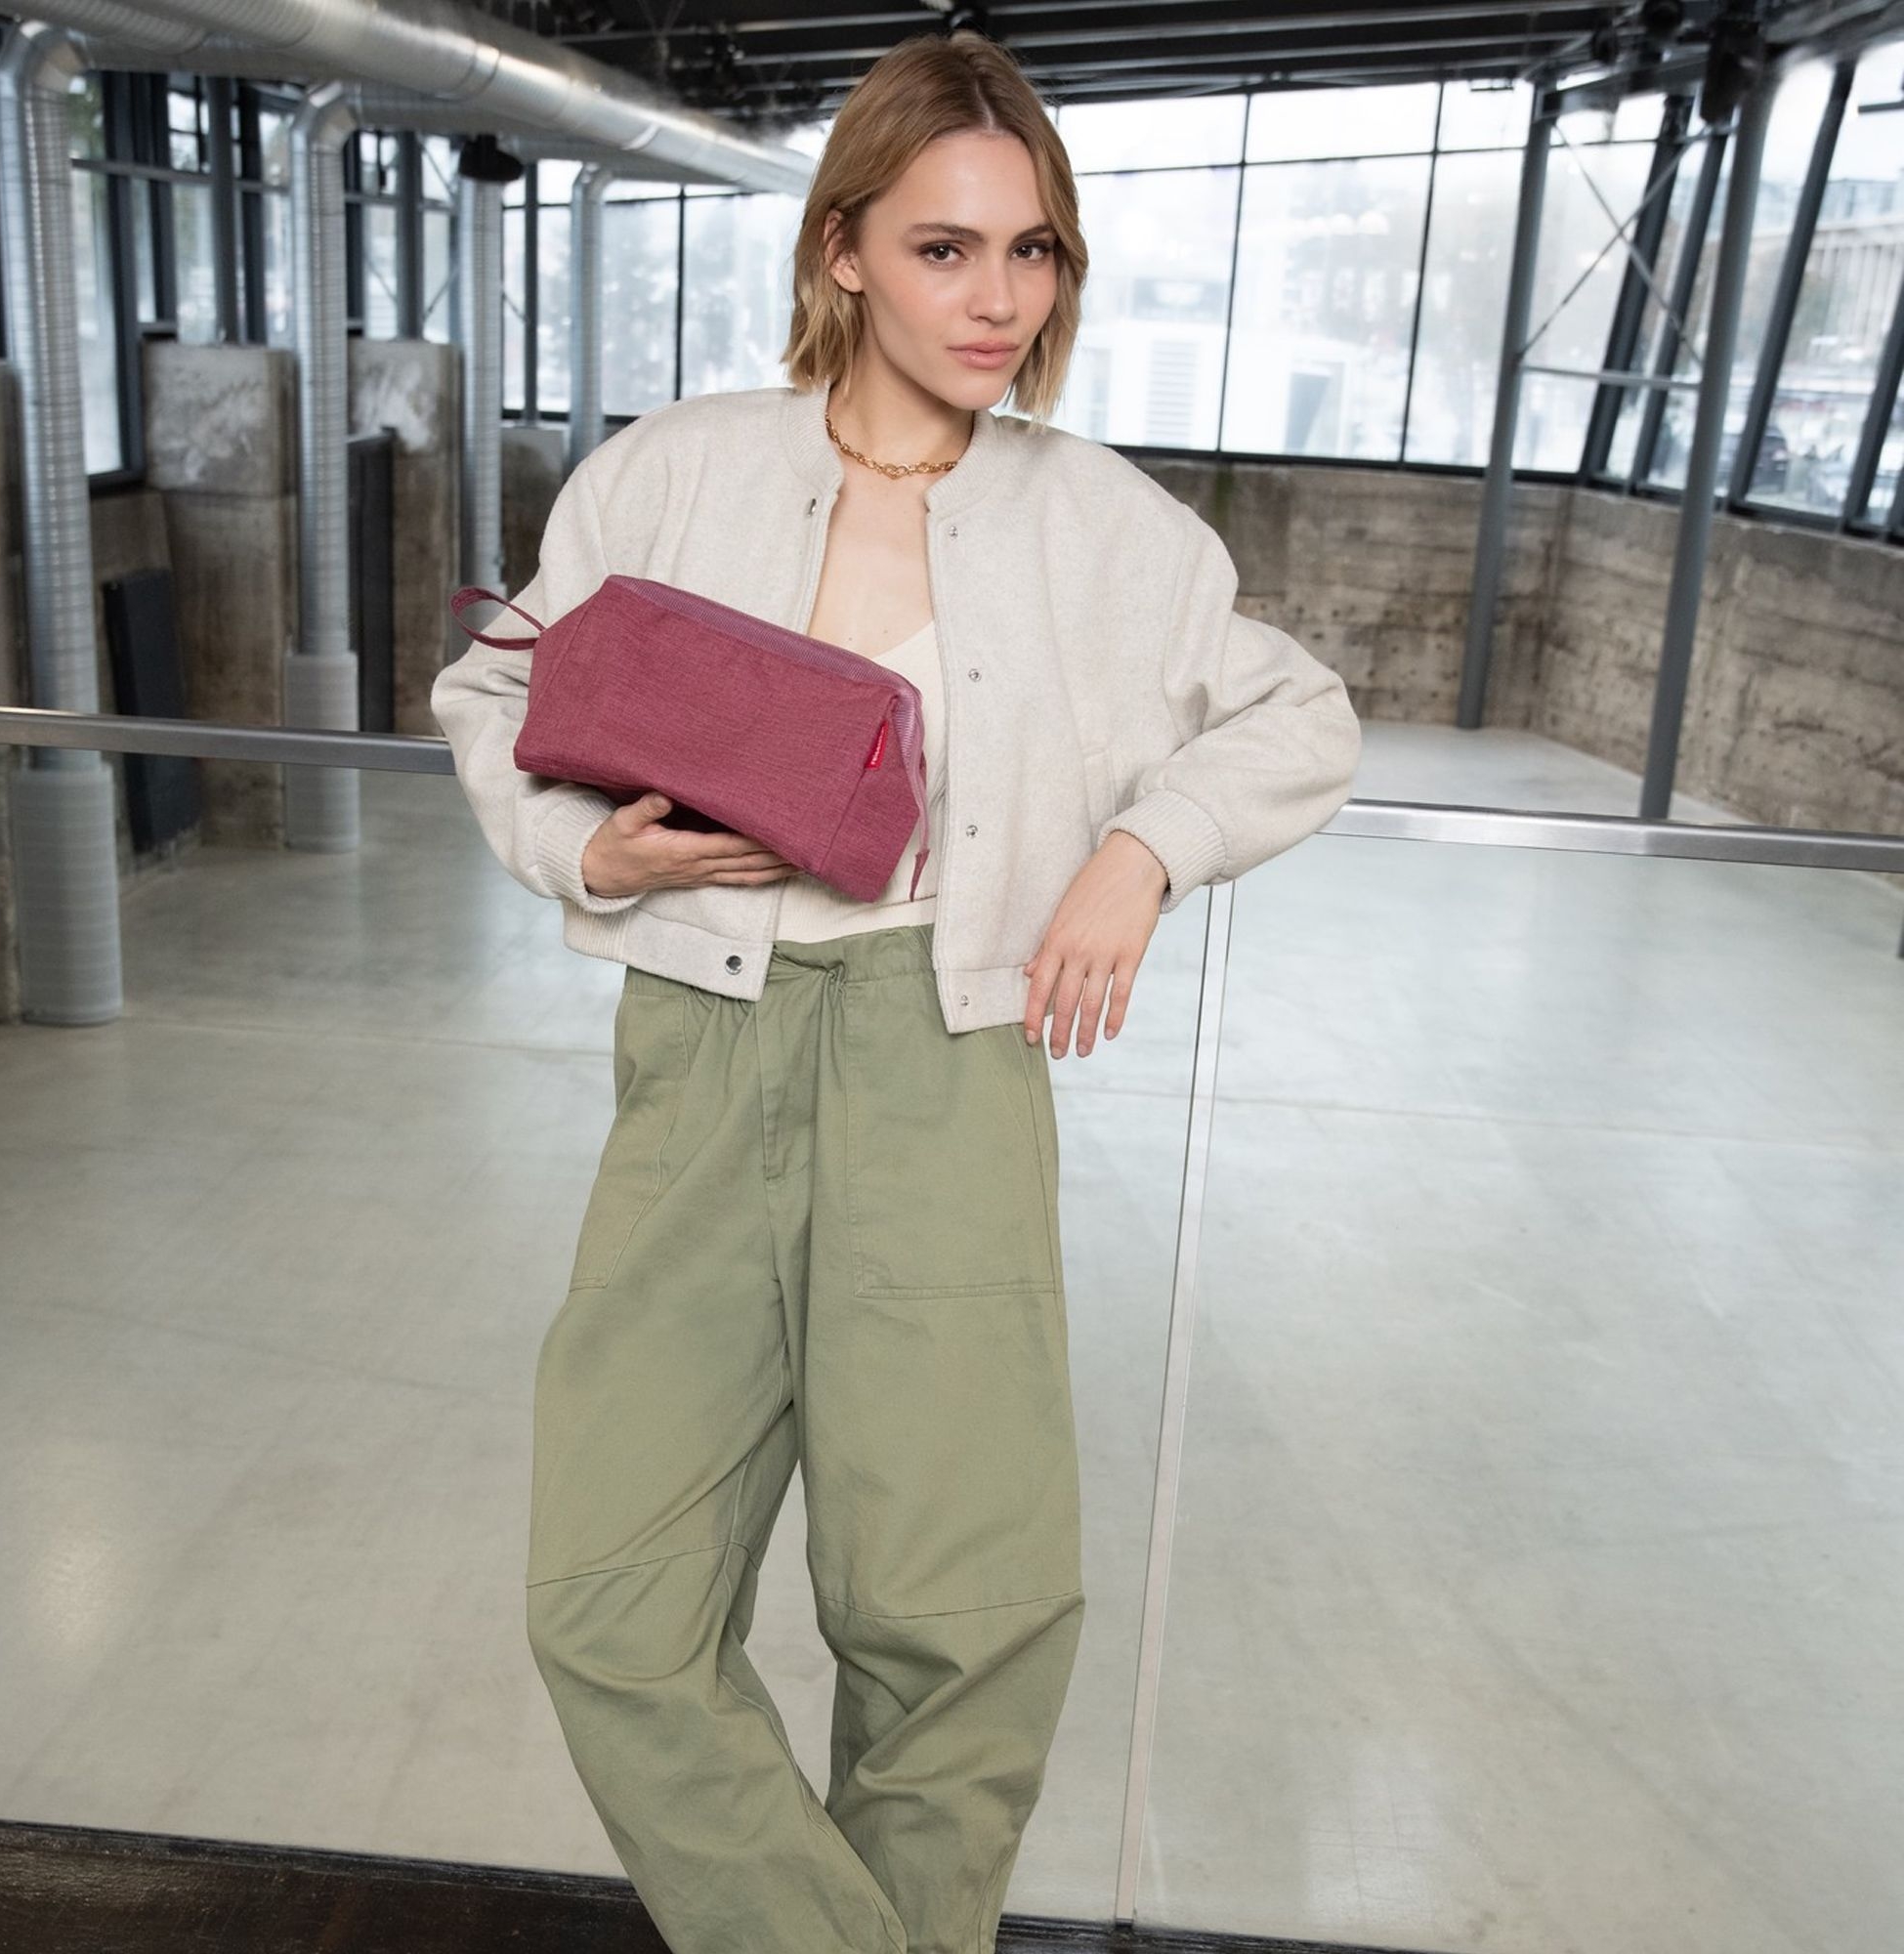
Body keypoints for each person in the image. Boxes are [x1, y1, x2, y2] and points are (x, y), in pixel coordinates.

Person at [430, 30, 1361, 1954]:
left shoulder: (1100, 522)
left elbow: (1298, 716)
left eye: (1033, 252)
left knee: (958, 1619)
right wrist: (589, 853)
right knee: (607, 1603)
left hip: (946, 1065)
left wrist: (1140, 851)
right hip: (701, 1053)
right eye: (946, 249)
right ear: (842, 250)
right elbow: (495, 684)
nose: (997, 299)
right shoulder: (675, 473)